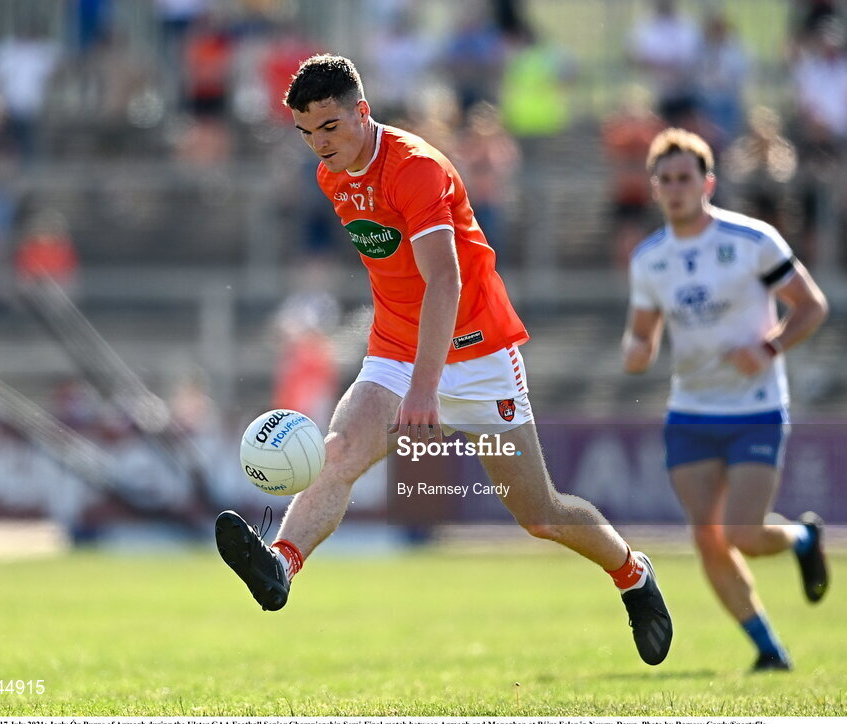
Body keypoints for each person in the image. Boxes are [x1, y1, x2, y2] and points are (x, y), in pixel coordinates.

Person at [215, 54, 672, 666]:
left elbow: (445, 281)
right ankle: (281, 564)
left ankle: (631, 572)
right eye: (305, 132)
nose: (318, 144)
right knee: (341, 450)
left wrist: (425, 390)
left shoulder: (416, 169)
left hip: (479, 355)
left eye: (329, 127)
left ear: (362, 112)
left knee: (541, 515)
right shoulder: (331, 175)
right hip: (397, 348)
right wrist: (405, 372)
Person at [621, 128, 829, 672]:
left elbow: (810, 306)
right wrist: (637, 349)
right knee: (709, 539)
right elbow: (643, 333)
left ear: (707, 182)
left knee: (743, 532)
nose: (675, 189)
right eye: (664, 180)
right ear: (654, 188)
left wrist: (771, 346)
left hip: (755, 407)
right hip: (690, 411)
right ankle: (769, 650)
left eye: (685, 178)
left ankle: (804, 538)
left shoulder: (752, 240)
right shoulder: (650, 259)